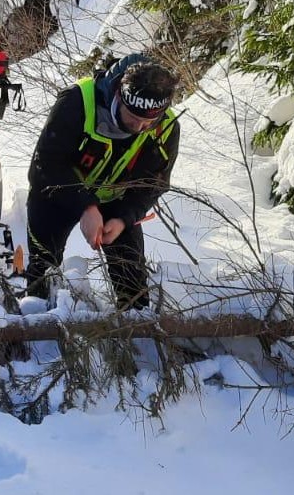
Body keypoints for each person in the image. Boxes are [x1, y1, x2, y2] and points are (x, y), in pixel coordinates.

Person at [25, 54, 180, 310]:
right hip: (61, 189)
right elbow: (45, 165)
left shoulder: (166, 127)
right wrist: (85, 207)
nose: (139, 127)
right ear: (118, 95)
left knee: (131, 277)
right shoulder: (77, 101)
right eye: (132, 118)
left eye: (148, 122)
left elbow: (153, 184)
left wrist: (123, 219)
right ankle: (36, 319)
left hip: (116, 199)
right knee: (43, 264)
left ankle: (133, 328)